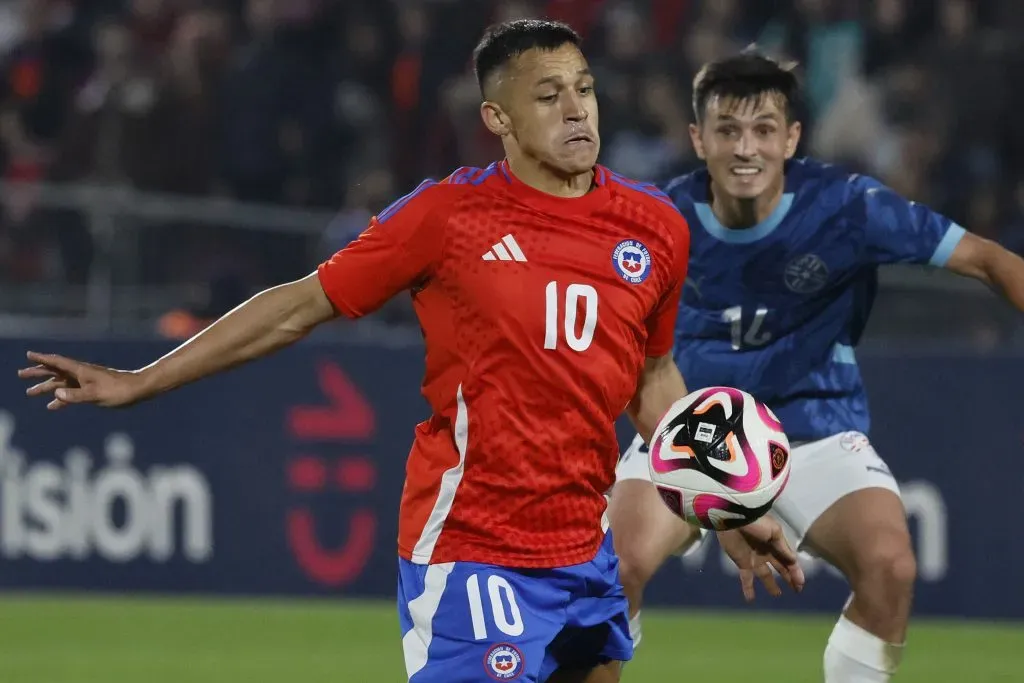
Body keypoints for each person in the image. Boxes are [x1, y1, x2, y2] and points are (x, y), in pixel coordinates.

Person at [18, 22, 803, 683]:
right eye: (548, 94)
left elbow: (652, 377)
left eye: (585, 88)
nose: (576, 110)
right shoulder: (446, 217)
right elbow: (297, 306)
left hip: (582, 552)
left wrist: (723, 506)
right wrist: (143, 379)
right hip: (469, 550)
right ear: (497, 118)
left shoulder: (653, 226)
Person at [608, 52, 1024, 683]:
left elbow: (990, 260)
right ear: (698, 139)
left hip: (815, 429)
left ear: (792, 138)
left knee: (891, 566)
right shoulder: (657, 223)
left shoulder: (847, 208)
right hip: (688, 431)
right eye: (727, 131)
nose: (746, 149)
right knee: (614, 566)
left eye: (764, 131)